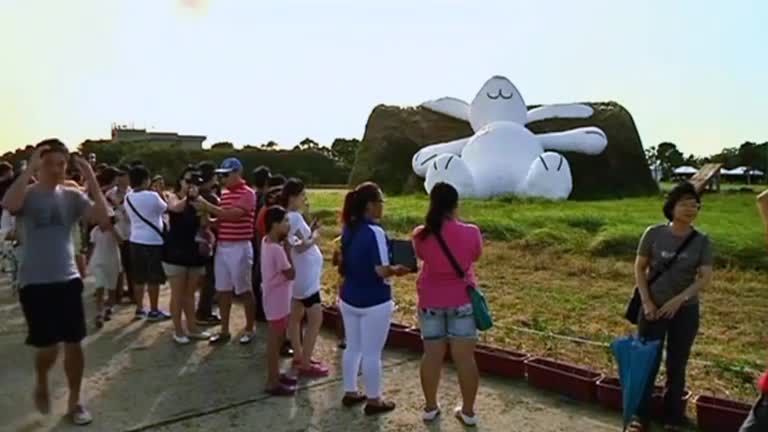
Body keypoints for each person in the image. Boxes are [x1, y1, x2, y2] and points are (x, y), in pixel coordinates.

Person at [3, 139, 110, 425]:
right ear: (39, 165)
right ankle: (41, 379)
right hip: (34, 282)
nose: (55, 169)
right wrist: (28, 169)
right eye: (49, 164)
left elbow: (102, 220)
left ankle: (75, 401)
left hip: (68, 278)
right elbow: (9, 204)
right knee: (48, 347)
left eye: (61, 164)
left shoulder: (72, 197)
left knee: (74, 343)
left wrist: (90, 178)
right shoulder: (26, 194)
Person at [629, 182, 713, 432]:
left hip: (685, 311)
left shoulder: (701, 241)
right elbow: (639, 268)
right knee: (647, 361)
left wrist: (680, 300)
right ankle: (639, 416)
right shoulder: (653, 233)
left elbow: (705, 277)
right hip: (652, 308)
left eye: (695, 204)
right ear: (671, 207)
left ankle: (673, 416)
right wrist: (647, 302)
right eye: (685, 204)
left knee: (677, 363)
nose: (691, 209)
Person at [337, 182, 411, 415]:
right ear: (370, 205)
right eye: (380, 202)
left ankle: (350, 391)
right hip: (374, 300)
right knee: (372, 352)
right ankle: (374, 399)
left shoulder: (349, 227)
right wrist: (397, 269)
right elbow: (380, 269)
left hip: (349, 297)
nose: (382, 207)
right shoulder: (375, 231)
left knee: (353, 347)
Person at [412, 182, 482, 426]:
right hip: (462, 300)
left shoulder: (420, 234)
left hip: (430, 301)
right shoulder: (471, 232)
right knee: (465, 358)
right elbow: (475, 256)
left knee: (431, 355)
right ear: (455, 204)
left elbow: (421, 257)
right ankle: (469, 412)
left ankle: (431, 407)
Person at [194, 158, 257, 345]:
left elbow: (234, 215)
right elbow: (220, 220)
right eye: (221, 175)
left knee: (244, 289)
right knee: (223, 290)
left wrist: (208, 207)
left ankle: (249, 328)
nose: (223, 179)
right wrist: (206, 216)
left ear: (238, 173)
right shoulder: (226, 193)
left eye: (226, 175)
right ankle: (224, 330)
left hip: (240, 245)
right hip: (223, 246)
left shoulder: (248, 194)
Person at [281, 179, 328, 377]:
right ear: (294, 196)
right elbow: (302, 244)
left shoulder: (287, 218)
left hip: (300, 273)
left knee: (295, 316)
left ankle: (299, 355)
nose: (304, 199)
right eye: (302, 196)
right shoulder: (295, 218)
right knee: (316, 318)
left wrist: (309, 227)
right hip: (306, 276)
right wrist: (316, 235)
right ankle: (306, 361)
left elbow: (295, 240)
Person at [163, 167, 212, 344]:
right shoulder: (173, 196)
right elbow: (174, 208)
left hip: (194, 252)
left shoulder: (199, 200)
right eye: (187, 180)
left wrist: (204, 208)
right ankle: (178, 330)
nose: (190, 185)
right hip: (175, 251)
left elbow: (205, 224)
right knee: (177, 293)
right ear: (180, 181)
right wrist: (189, 197)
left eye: (194, 182)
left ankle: (192, 327)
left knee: (190, 293)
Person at [260, 206, 300, 396]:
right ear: (275, 225)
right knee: (275, 342)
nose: (288, 224)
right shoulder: (277, 250)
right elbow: (291, 273)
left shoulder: (265, 241)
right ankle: (272, 381)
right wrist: (289, 251)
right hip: (277, 300)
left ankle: (275, 374)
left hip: (275, 298)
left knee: (277, 338)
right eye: (285, 221)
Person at [125, 165, 170, 321]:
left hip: (135, 239)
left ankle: (139, 309)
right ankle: (154, 310)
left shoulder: (128, 197)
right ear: (145, 180)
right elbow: (166, 208)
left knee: (138, 277)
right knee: (153, 278)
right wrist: (159, 192)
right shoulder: (152, 196)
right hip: (153, 241)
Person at [194, 161, 222, 326]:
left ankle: (198, 310)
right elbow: (213, 221)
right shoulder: (211, 198)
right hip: (209, 242)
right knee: (210, 278)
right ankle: (204, 312)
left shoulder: (194, 194)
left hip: (194, 241)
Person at [89, 211, 124, 329]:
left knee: (111, 288)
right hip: (98, 262)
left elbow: (121, 241)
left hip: (113, 262)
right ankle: (99, 313)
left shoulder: (115, 229)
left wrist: (112, 229)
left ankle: (109, 307)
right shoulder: (95, 231)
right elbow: (92, 246)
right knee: (99, 286)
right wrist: (89, 261)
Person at [107, 166, 134, 303]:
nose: (121, 179)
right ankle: (116, 294)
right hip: (115, 232)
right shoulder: (109, 194)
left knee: (131, 266)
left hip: (130, 233)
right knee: (116, 266)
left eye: (124, 176)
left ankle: (133, 293)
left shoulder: (133, 194)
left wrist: (121, 207)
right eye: (119, 176)